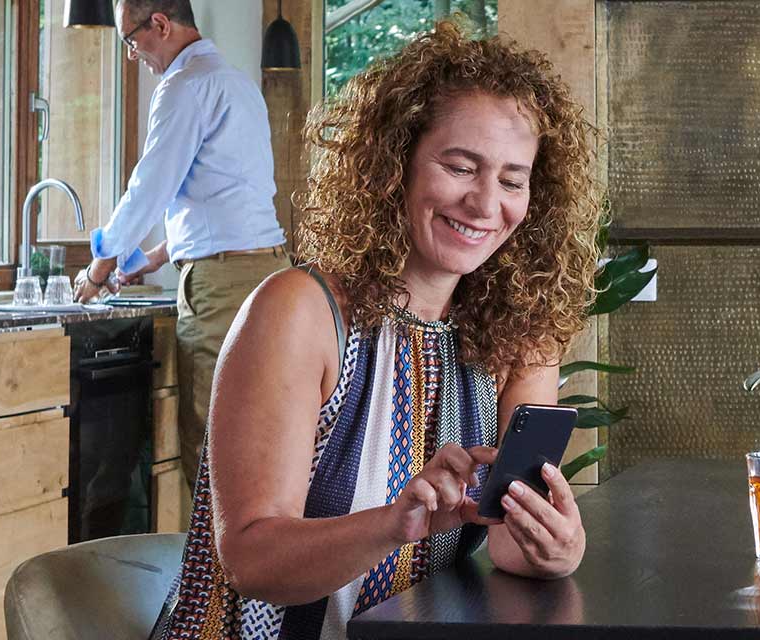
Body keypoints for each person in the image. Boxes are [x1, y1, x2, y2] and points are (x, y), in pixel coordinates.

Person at [150, 22, 607, 640]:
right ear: (395, 165)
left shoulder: (519, 335)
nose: (483, 203)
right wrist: (396, 522)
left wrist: (557, 547)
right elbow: (251, 561)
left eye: (512, 180)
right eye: (459, 166)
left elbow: (509, 545)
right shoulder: (299, 312)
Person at [78, 0, 291, 483]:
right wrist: (155, 256)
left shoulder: (183, 86)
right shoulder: (237, 84)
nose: (133, 55)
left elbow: (149, 189)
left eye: (131, 41)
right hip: (272, 274)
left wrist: (99, 267)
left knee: (212, 440)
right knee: (266, 433)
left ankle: (212, 562)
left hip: (219, 288)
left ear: (160, 24)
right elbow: (222, 192)